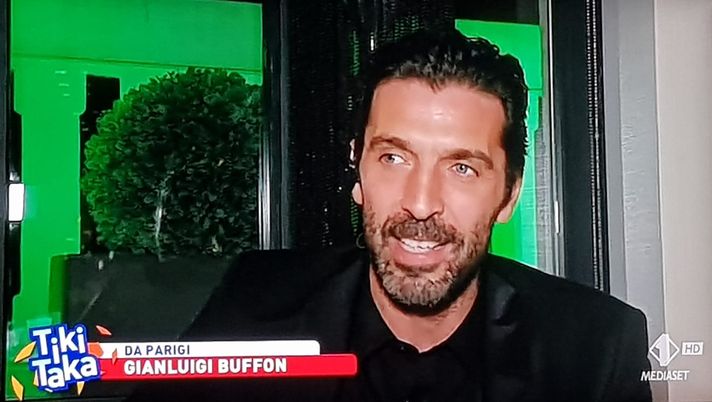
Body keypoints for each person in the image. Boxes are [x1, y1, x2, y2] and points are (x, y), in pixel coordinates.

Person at [130, 28, 652, 402]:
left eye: (462, 168)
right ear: (357, 171)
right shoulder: (251, 310)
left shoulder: (594, 350)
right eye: (394, 158)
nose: (420, 203)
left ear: (510, 195)